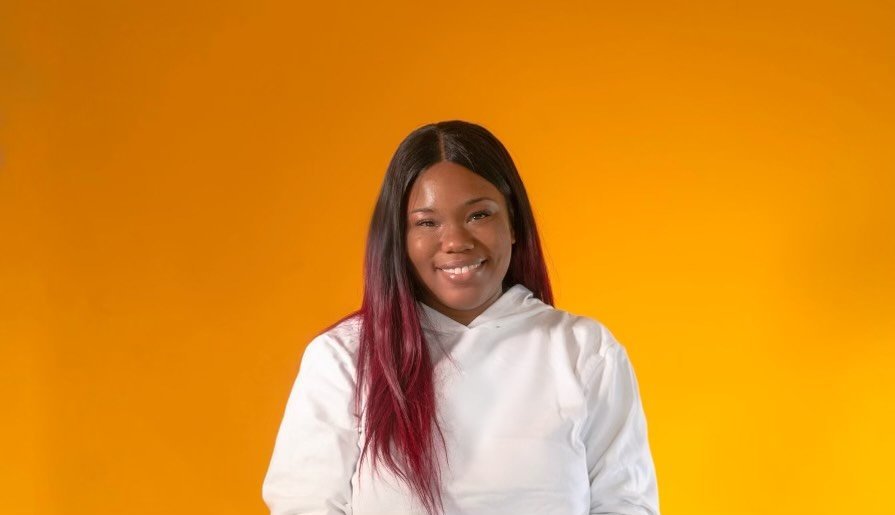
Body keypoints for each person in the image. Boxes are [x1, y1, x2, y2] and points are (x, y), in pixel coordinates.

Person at [262, 120, 660, 515]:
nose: (455, 241)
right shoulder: (344, 358)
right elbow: (305, 505)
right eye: (427, 222)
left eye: (478, 215)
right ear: (399, 239)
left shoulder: (585, 350)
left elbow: (626, 503)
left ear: (514, 223)